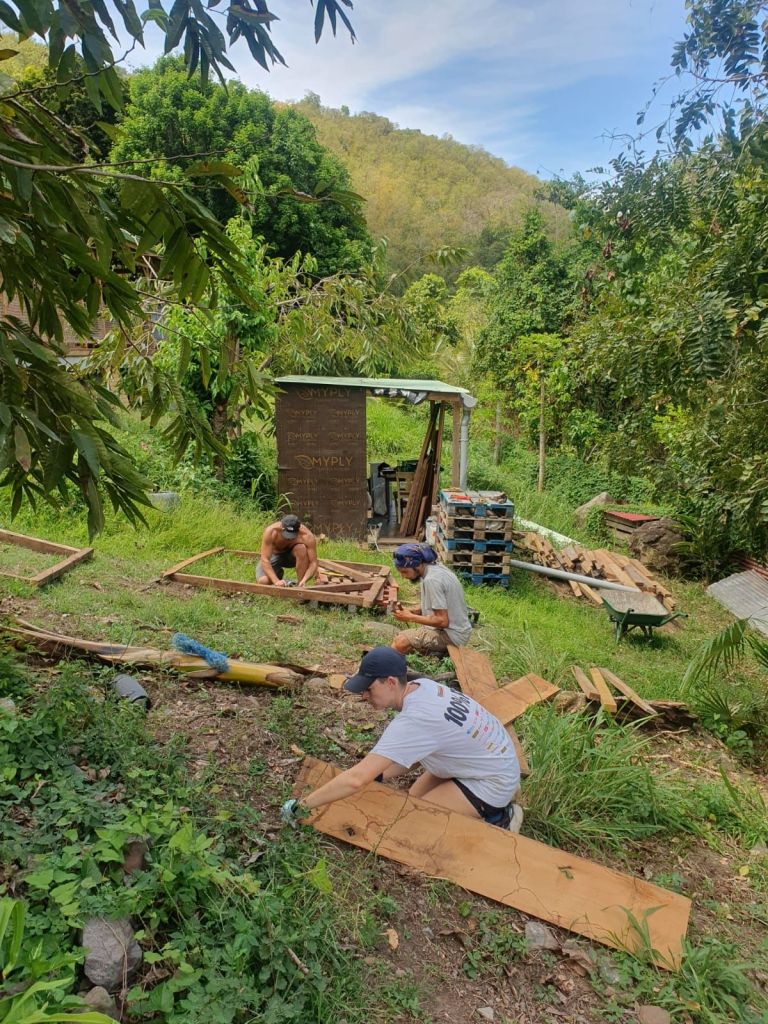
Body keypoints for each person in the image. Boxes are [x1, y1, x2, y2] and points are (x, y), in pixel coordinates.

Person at [281, 646, 522, 831]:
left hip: (492, 781)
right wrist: (378, 775)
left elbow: (356, 780)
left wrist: (301, 807)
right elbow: (414, 753)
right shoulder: (422, 686)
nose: (364, 696)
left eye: (368, 689)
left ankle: (499, 817)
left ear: (390, 682)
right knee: (409, 802)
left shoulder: (416, 718)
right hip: (479, 759)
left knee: (412, 823)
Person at [390, 543, 472, 655]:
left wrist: (410, 617)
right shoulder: (435, 569)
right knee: (403, 639)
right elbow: (435, 605)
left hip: (452, 636)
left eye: (405, 571)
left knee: (400, 642)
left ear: (417, 566)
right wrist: (411, 611)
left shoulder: (432, 580)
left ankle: (391, 666)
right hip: (457, 631)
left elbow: (442, 621)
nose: (403, 576)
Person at [255, 514, 325, 587]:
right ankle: (280, 576)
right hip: (273, 557)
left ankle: (300, 584)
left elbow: (313, 562)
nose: (289, 538)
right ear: (282, 527)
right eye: (287, 534)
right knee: (263, 581)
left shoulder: (307, 536)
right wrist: (276, 581)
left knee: (301, 548)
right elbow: (265, 559)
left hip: (291, 558)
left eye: (292, 535)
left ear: (298, 529)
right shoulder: (271, 531)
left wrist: (304, 579)